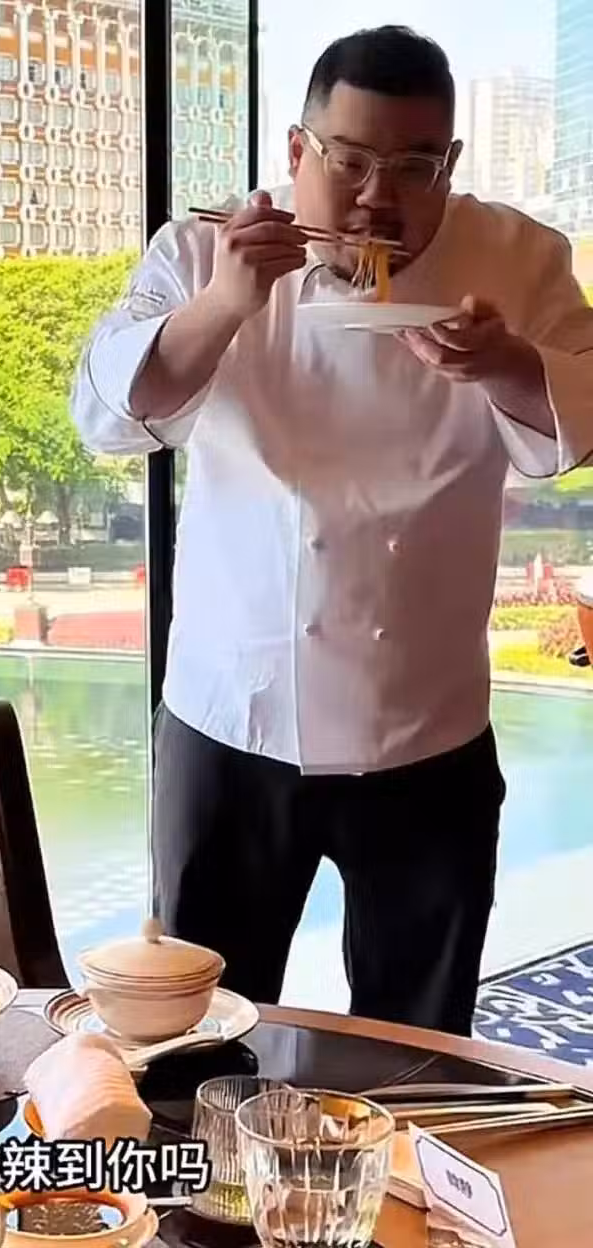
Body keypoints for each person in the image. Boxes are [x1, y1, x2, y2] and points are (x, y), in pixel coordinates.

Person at [70, 26, 593, 1036]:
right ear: (297, 150)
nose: (376, 199)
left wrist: (504, 365)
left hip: (429, 731)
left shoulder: (521, 258)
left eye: (413, 168)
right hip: (232, 723)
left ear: (450, 164)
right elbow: (107, 414)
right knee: (194, 1029)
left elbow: (584, 410)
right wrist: (227, 302)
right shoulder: (204, 250)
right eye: (350, 161)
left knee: (418, 1035)